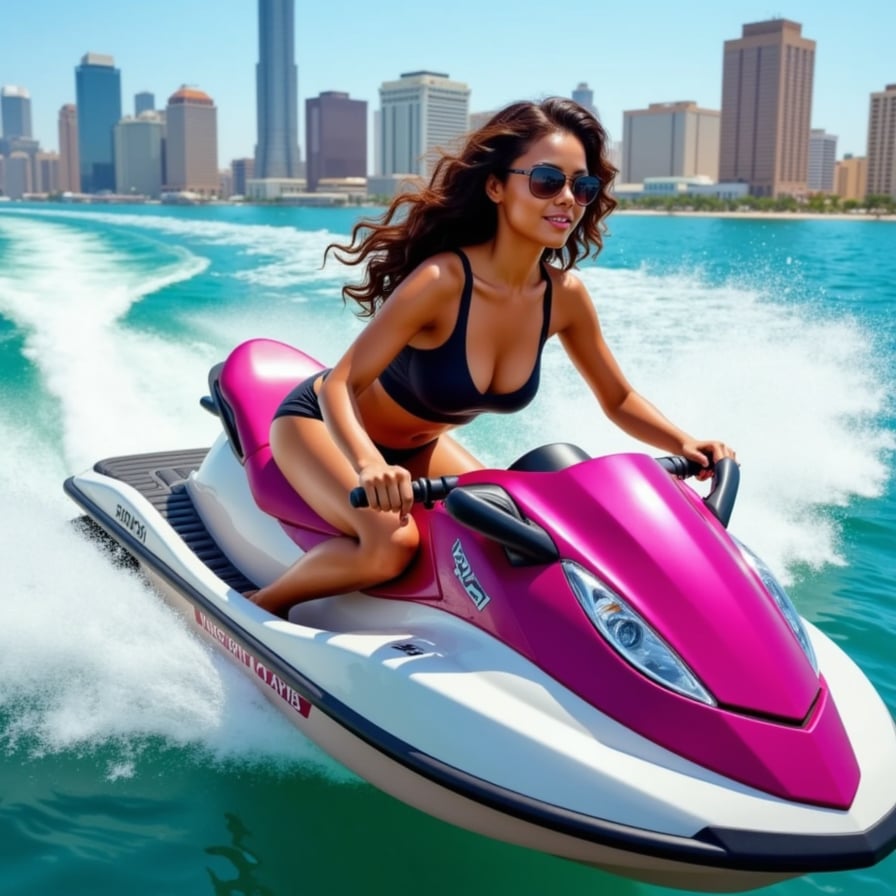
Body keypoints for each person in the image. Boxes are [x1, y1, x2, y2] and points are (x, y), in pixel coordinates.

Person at [249, 97, 736, 617]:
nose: (568, 198)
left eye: (582, 186)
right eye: (548, 180)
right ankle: (260, 606)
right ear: (496, 187)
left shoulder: (564, 297)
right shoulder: (442, 281)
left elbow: (617, 398)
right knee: (391, 545)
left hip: (419, 450)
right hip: (323, 429)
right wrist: (368, 464)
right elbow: (340, 384)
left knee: (504, 533)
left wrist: (684, 443)